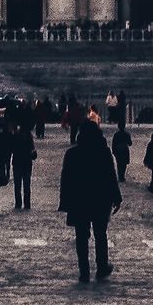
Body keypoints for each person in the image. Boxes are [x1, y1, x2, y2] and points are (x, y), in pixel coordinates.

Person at [59, 113, 122, 283]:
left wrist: (65, 202)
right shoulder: (103, 152)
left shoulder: (72, 154)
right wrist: (117, 197)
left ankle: (84, 271)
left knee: (81, 236)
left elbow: (66, 179)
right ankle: (101, 267)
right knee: (100, 234)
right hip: (100, 199)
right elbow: (110, 175)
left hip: (79, 200)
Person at [10, 114, 36, 213]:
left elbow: (12, 148)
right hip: (26, 162)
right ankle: (27, 203)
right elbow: (32, 148)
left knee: (18, 184)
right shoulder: (28, 136)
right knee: (26, 184)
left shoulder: (15, 135)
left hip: (18, 162)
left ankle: (18, 203)